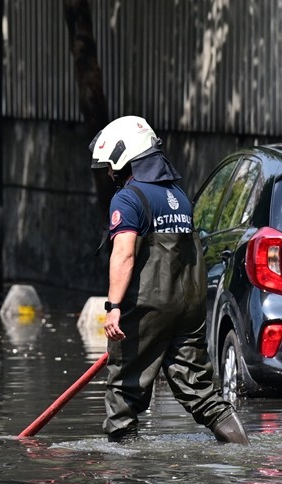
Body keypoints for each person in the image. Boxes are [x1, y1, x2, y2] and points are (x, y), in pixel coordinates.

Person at [89, 115, 249, 444]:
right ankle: (246, 452)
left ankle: (127, 483)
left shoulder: (128, 198)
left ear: (125, 157)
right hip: (188, 307)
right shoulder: (179, 196)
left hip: (149, 308)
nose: (109, 173)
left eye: (110, 165)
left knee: (124, 396)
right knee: (202, 393)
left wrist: (114, 307)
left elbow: (124, 254)